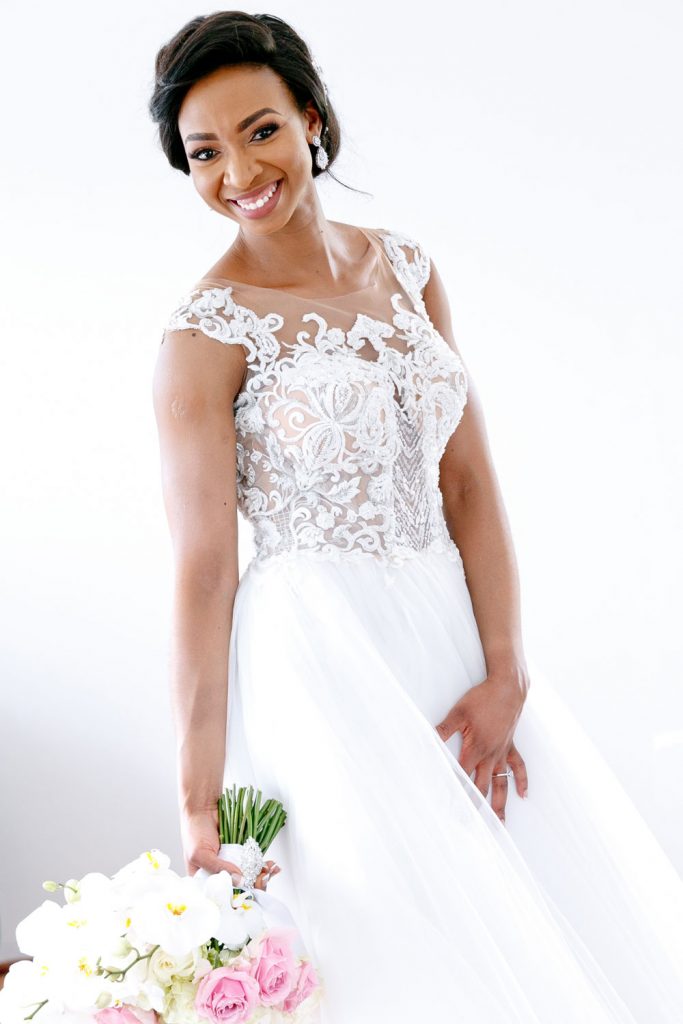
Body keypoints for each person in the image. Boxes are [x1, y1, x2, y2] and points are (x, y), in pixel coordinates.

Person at [149, 11, 683, 1023]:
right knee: (391, 923)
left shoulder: (404, 266)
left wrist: (505, 671)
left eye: (258, 130)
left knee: (526, 889)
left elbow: (469, 483)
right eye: (202, 153)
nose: (236, 171)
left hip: (443, 623)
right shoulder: (201, 331)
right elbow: (203, 570)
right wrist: (199, 802)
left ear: (310, 116)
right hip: (319, 650)